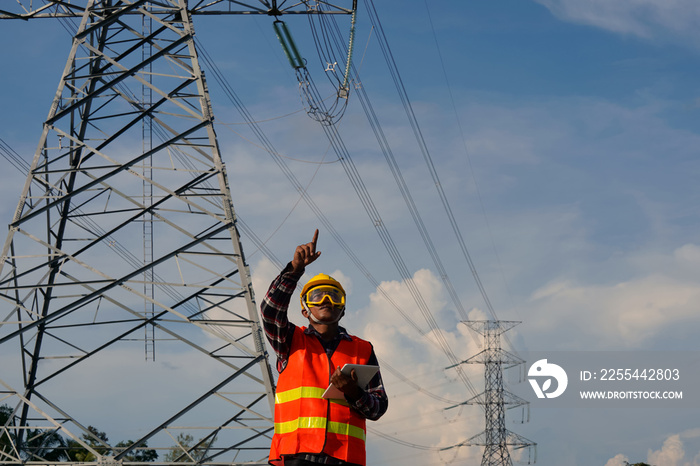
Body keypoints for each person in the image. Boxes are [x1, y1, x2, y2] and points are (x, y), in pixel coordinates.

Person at [261, 229, 388, 466]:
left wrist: (355, 393)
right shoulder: (289, 341)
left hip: (345, 459)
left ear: (343, 308)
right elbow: (270, 312)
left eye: (334, 296)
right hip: (296, 456)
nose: (326, 301)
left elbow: (379, 407)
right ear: (304, 310)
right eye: (317, 296)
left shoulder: (363, 349)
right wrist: (295, 270)